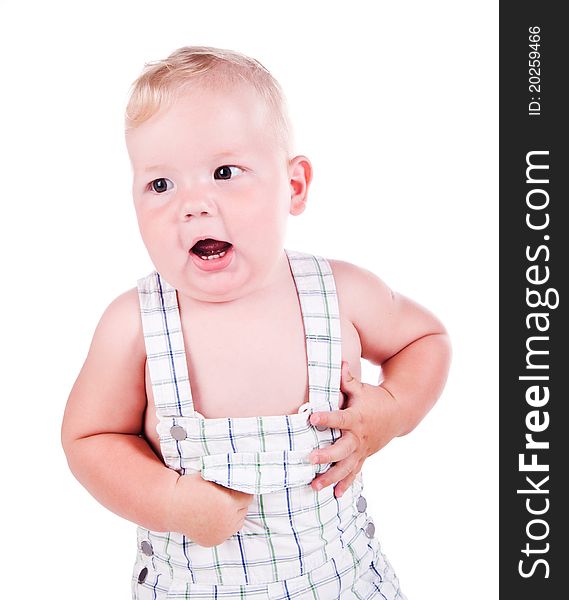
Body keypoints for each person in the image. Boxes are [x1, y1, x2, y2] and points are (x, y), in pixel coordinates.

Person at [61, 46, 451, 599]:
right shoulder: (135, 324)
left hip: (340, 579)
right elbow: (89, 437)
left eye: (224, 172)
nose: (192, 205)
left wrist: (392, 410)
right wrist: (170, 500)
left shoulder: (338, 292)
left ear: (293, 187)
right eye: (160, 185)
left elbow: (426, 339)